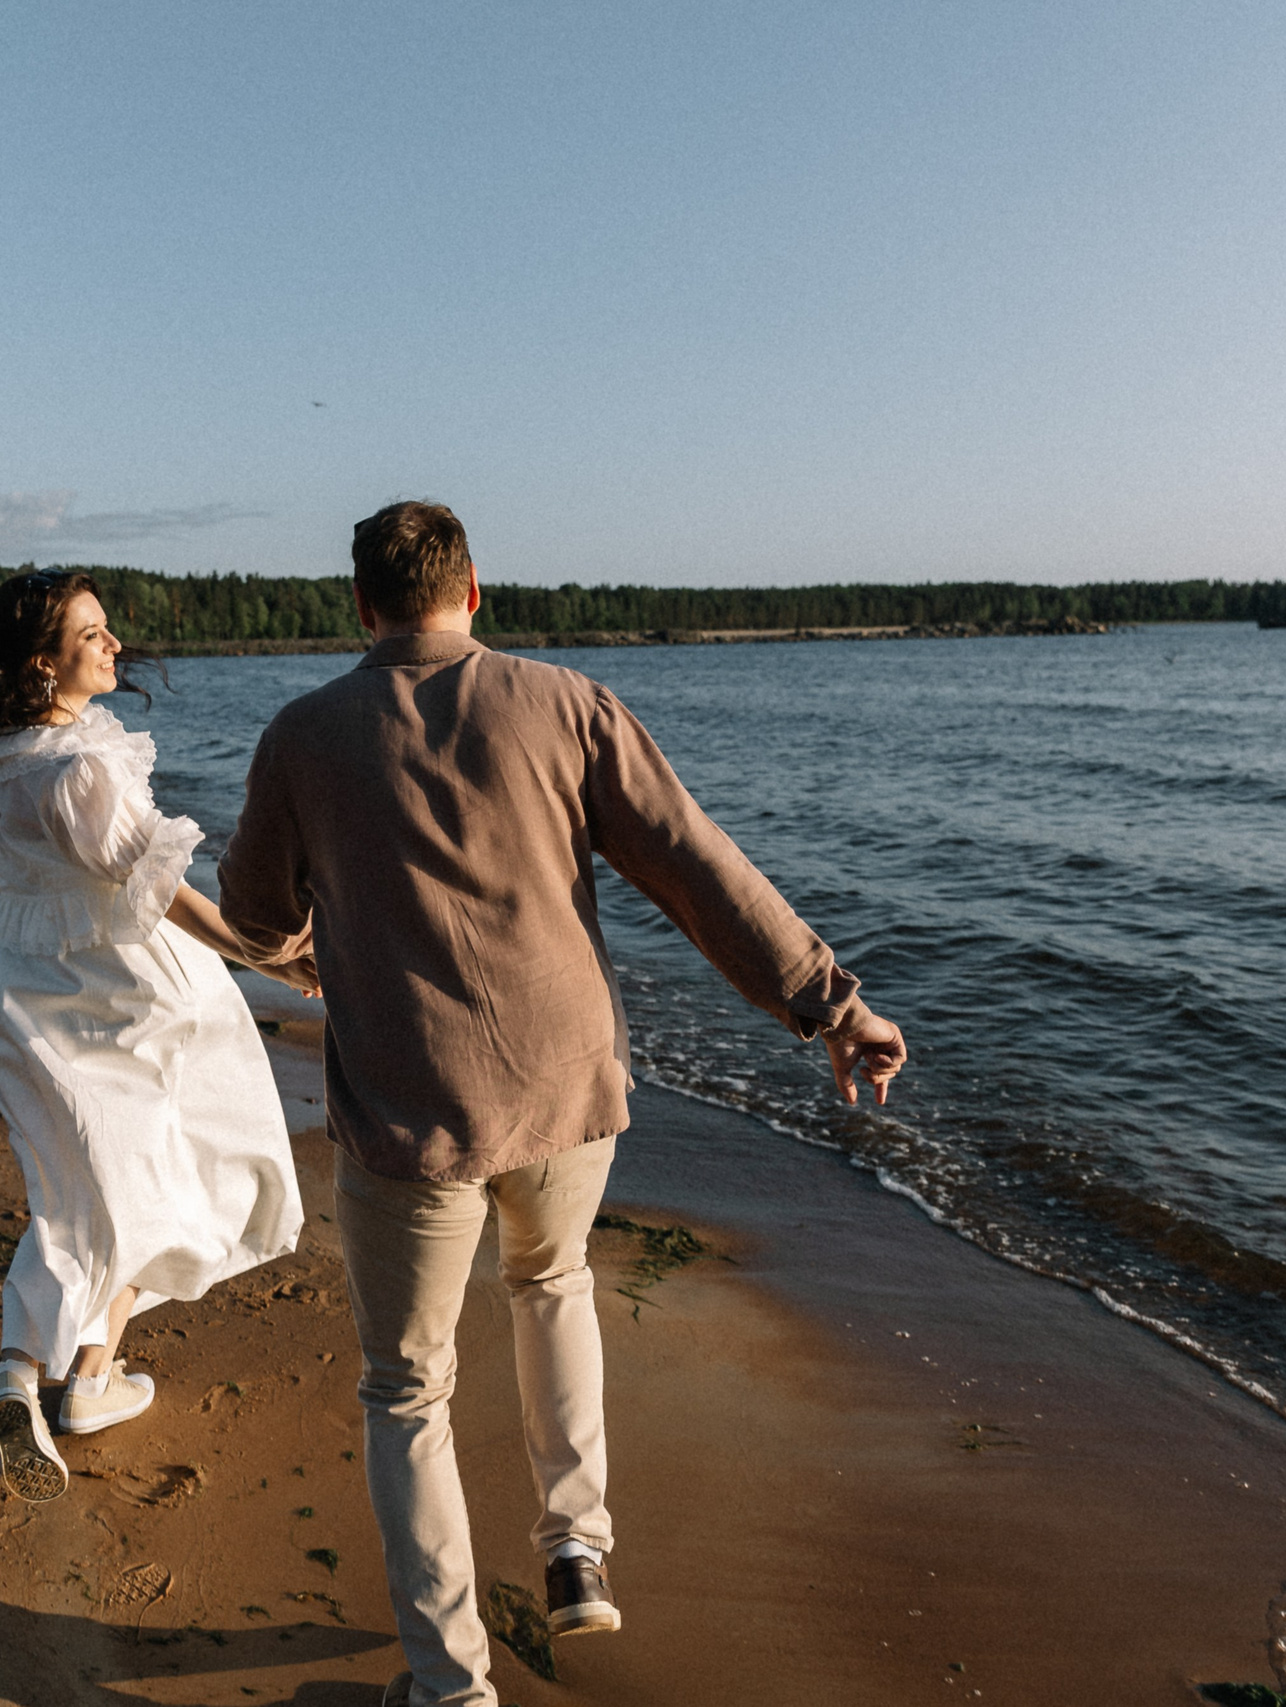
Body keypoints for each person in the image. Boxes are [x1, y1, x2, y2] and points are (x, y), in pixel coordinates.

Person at [216, 503, 908, 1707]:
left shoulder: (303, 737)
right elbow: (693, 864)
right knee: (553, 1282)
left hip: (412, 1105)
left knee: (406, 1388)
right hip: (566, 1086)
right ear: (474, 591)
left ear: (362, 606)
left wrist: (319, 936)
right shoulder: (564, 702)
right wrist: (829, 1004)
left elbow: (255, 918)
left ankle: (450, 1685)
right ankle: (576, 1549)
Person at [0, 569, 318, 1502]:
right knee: (186, 1168)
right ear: (44, 662)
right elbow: (161, 890)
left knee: (83, 1194)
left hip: (22, 989)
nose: (114, 644)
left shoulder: (0, 759)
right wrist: (265, 955)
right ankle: (60, 1376)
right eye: (91, 633)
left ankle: (50, 1377)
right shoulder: (82, 767)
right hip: (122, 996)